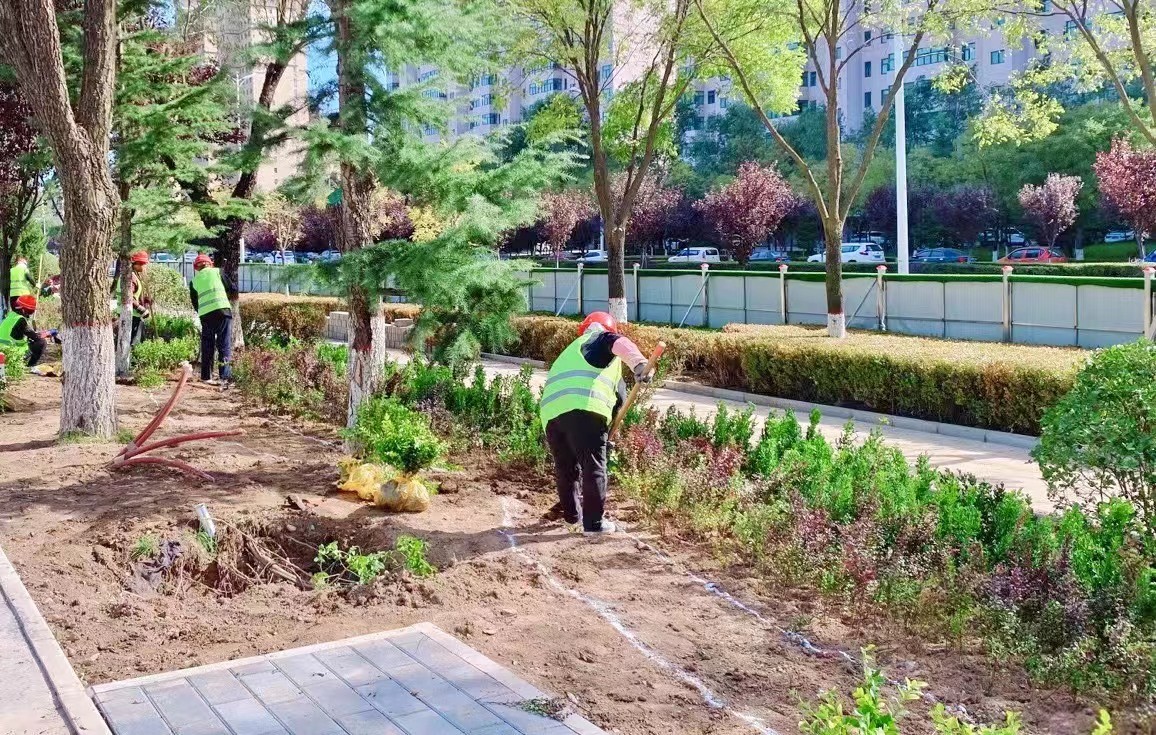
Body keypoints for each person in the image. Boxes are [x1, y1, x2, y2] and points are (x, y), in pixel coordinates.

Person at [538, 311, 651, 535]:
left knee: (566, 469)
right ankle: (594, 524)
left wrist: (604, 436)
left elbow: (618, 397)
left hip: (550, 415)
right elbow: (619, 342)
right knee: (594, 468)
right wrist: (639, 364)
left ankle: (572, 519)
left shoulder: (570, 351)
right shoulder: (600, 338)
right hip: (584, 409)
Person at [189, 253, 236, 384]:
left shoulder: (194, 282)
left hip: (205, 315)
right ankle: (224, 377)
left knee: (207, 345)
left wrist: (203, 311)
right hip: (222, 312)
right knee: (224, 345)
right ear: (210, 263)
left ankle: (206, 377)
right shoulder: (218, 272)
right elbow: (232, 288)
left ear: (196, 268)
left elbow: (195, 302)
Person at [114, 251, 152, 345]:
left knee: (127, 341)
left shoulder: (127, 275)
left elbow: (134, 295)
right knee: (129, 342)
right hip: (131, 315)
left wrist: (145, 300)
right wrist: (142, 310)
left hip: (124, 313)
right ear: (136, 264)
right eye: (143, 264)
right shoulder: (130, 278)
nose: (144, 267)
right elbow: (129, 298)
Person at [0, 295, 46, 367]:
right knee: (42, 342)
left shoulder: (10, 315)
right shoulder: (20, 320)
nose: (30, 314)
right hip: (12, 355)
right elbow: (35, 337)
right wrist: (46, 334)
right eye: (30, 311)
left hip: (2, 352)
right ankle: (30, 365)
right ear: (24, 310)